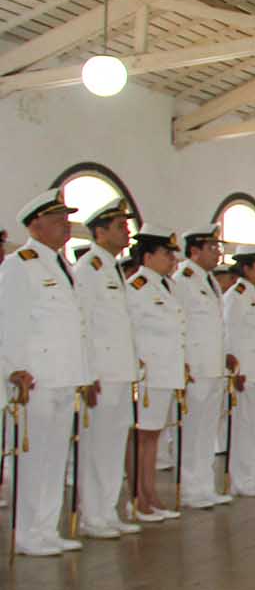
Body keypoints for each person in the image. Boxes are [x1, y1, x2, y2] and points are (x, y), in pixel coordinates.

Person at [2, 191, 88, 555]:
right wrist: (15, 368)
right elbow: (9, 321)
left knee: (55, 456)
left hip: (64, 375)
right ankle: (26, 534)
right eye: (57, 219)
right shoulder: (19, 264)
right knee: (33, 458)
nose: (65, 224)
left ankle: (46, 529)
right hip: (35, 377)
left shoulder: (62, 266)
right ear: (35, 224)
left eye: (67, 218)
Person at [72, 202, 144, 536]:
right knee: (96, 445)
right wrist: (87, 372)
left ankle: (108, 510)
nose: (126, 232)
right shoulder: (88, 268)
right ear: (100, 231)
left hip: (119, 371)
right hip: (101, 372)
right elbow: (82, 323)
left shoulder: (112, 267)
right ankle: (92, 516)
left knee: (114, 443)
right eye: (119, 226)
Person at [126, 228, 187, 521]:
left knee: (153, 435)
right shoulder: (137, 286)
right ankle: (139, 497)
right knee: (142, 436)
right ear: (148, 257)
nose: (172, 259)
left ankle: (150, 494)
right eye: (166, 254)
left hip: (165, 371)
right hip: (148, 374)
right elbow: (131, 330)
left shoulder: (167, 286)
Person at [175, 226, 233, 507]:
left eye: (217, 247)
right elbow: (180, 324)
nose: (217, 253)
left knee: (207, 429)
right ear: (194, 251)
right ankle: (188, 488)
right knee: (192, 429)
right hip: (195, 368)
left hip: (213, 366)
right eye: (211, 248)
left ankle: (204, 484)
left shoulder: (208, 280)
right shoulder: (182, 281)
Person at [222, 245, 255, 497]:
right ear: (246, 268)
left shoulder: (253, 295)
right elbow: (230, 334)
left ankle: (251, 475)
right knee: (244, 426)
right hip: (245, 372)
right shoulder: (236, 295)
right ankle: (241, 479)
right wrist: (237, 370)